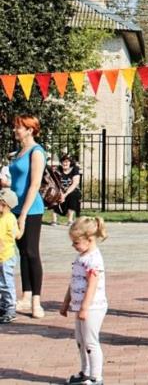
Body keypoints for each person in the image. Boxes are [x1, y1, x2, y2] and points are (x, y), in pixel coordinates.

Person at [59, 217, 108, 385]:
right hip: (80, 306)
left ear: (89, 239)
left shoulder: (93, 259)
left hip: (93, 307)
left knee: (90, 342)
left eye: (76, 242)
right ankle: (85, 372)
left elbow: (92, 286)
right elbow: (74, 281)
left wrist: (85, 308)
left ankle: (96, 377)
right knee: (80, 340)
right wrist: (66, 302)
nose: (73, 246)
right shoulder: (81, 257)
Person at [9, 115, 46, 319]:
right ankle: (26, 295)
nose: (15, 130)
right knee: (22, 252)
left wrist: (23, 214)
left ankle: (36, 302)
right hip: (14, 208)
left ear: (30, 130)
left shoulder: (36, 152)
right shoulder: (18, 153)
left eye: (19, 127)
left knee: (32, 252)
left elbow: (34, 184)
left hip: (31, 209)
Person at [0, 189, 21, 324]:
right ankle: (3, 306)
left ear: (6, 205)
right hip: (3, 256)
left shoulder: (8, 219)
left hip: (6, 257)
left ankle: (10, 308)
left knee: (6, 283)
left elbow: (16, 235)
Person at [51, 155, 81, 226]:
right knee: (55, 194)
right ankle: (54, 220)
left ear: (70, 162)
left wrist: (65, 194)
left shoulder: (75, 169)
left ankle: (70, 220)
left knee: (73, 194)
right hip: (60, 190)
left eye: (67, 162)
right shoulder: (58, 170)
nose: (65, 163)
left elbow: (75, 183)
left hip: (71, 190)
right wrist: (61, 193)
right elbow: (55, 183)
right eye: (63, 162)